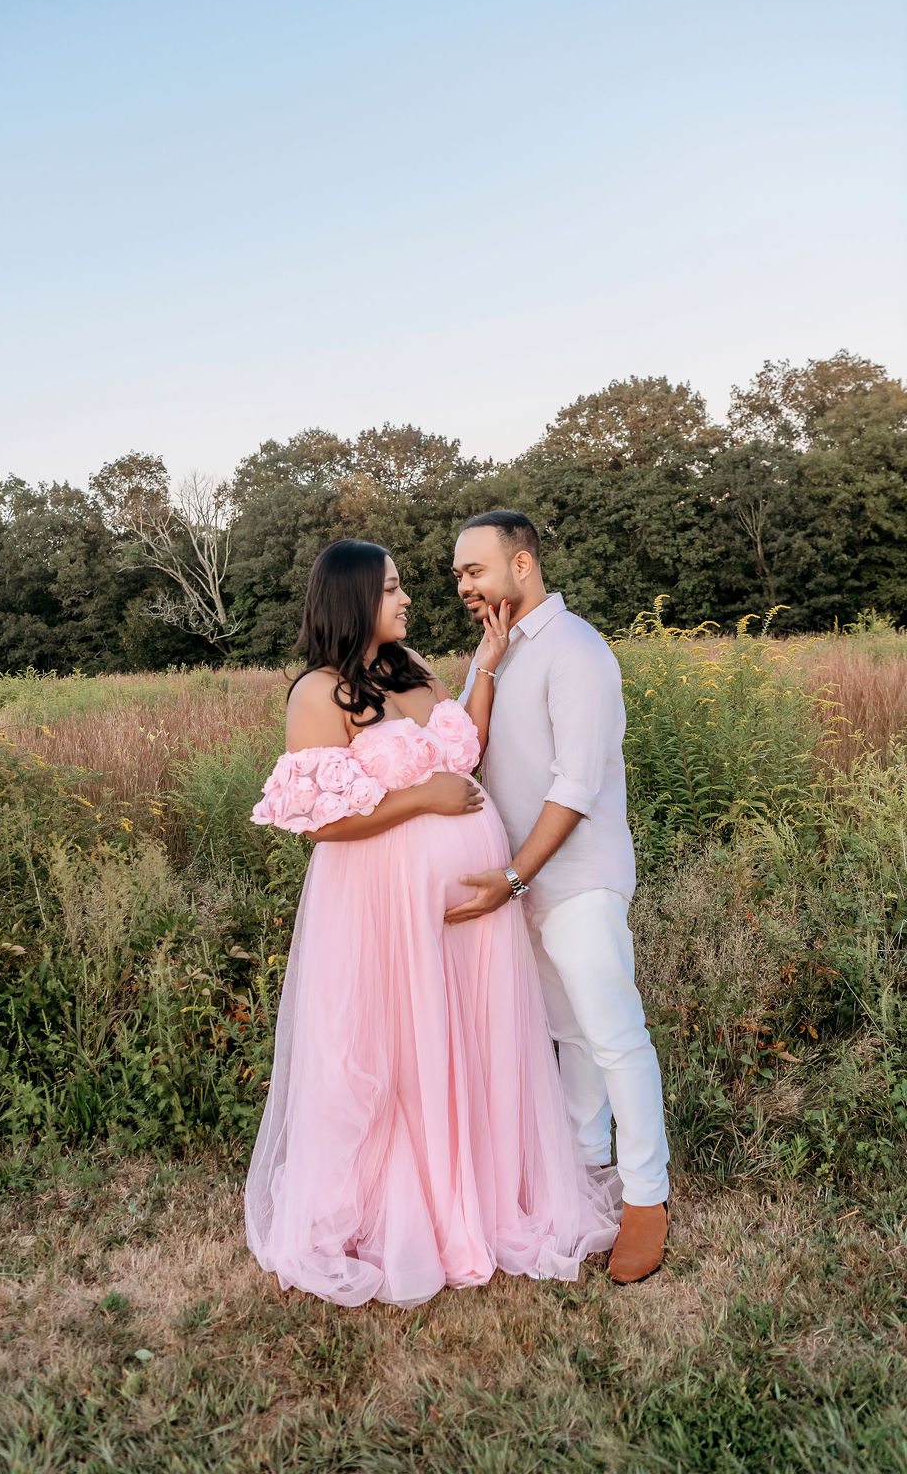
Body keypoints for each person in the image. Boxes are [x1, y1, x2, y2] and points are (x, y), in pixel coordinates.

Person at [245, 539, 619, 1307]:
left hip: (468, 906)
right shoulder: (317, 693)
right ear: (352, 600)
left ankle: (478, 1193)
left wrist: (487, 661)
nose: (406, 598)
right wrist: (421, 801)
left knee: (470, 1039)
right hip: (384, 905)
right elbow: (321, 823)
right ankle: (404, 1207)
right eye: (391, 589)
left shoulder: (411, 668)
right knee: (395, 1048)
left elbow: (463, 749)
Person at [447, 511, 670, 1285]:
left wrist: (513, 876)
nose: (464, 586)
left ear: (522, 565)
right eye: (457, 575)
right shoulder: (500, 654)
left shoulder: (577, 650)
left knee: (613, 1036)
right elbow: (468, 755)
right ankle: (584, 1172)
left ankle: (648, 1197)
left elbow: (575, 787)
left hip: (574, 877)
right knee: (568, 1037)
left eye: (474, 570)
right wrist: (485, 661)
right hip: (525, 882)